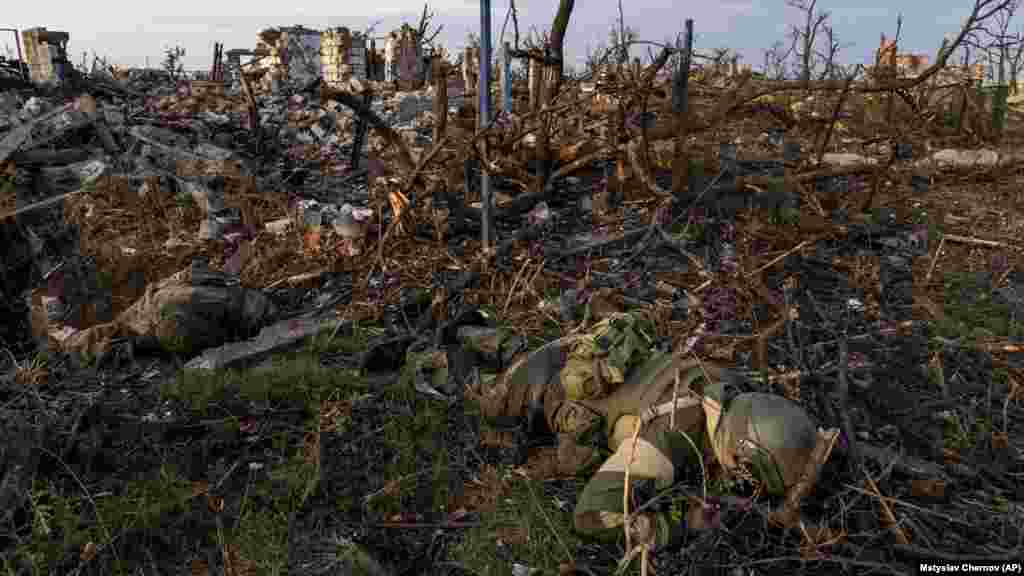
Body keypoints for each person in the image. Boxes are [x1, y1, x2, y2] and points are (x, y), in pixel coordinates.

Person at [475, 310, 839, 551]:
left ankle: (478, 334)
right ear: (742, 456)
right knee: (481, 396)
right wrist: (676, 528)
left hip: (577, 351)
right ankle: (431, 357)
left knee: (508, 348)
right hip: (544, 388)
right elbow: (589, 518)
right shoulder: (665, 440)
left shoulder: (725, 383)